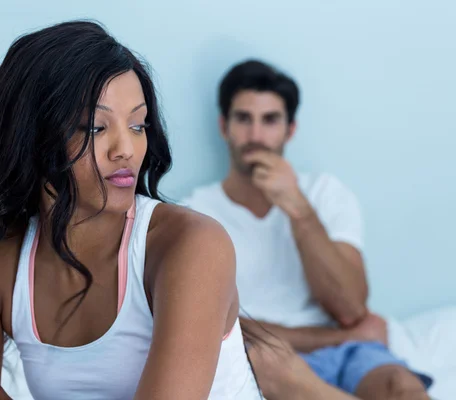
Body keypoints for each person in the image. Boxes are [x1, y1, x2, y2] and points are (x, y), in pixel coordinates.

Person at [0, 22, 263, 400]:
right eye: (94, 128)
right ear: (32, 136)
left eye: (138, 125)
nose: (126, 149)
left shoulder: (192, 246)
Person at [182, 59, 433, 399]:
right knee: (276, 370)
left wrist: (299, 209)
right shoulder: (195, 213)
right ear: (224, 126)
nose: (256, 136)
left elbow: (350, 309)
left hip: (347, 354)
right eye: (243, 119)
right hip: (262, 355)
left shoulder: (325, 193)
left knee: (402, 386)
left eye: (270, 120)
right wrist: (343, 336)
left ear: (291, 129)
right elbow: (214, 325)